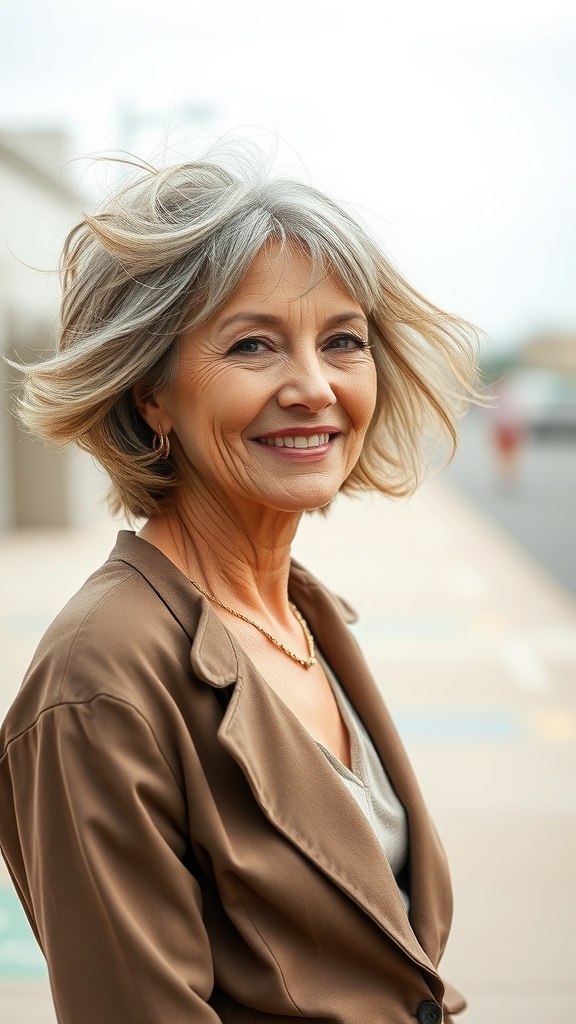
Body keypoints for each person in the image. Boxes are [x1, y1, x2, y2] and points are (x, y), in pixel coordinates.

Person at [0, 147, 478, 1024]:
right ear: (150, 394)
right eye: (253, 344)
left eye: (343, 341)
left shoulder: (303, 614)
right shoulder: (102, 679)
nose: (314, 388)